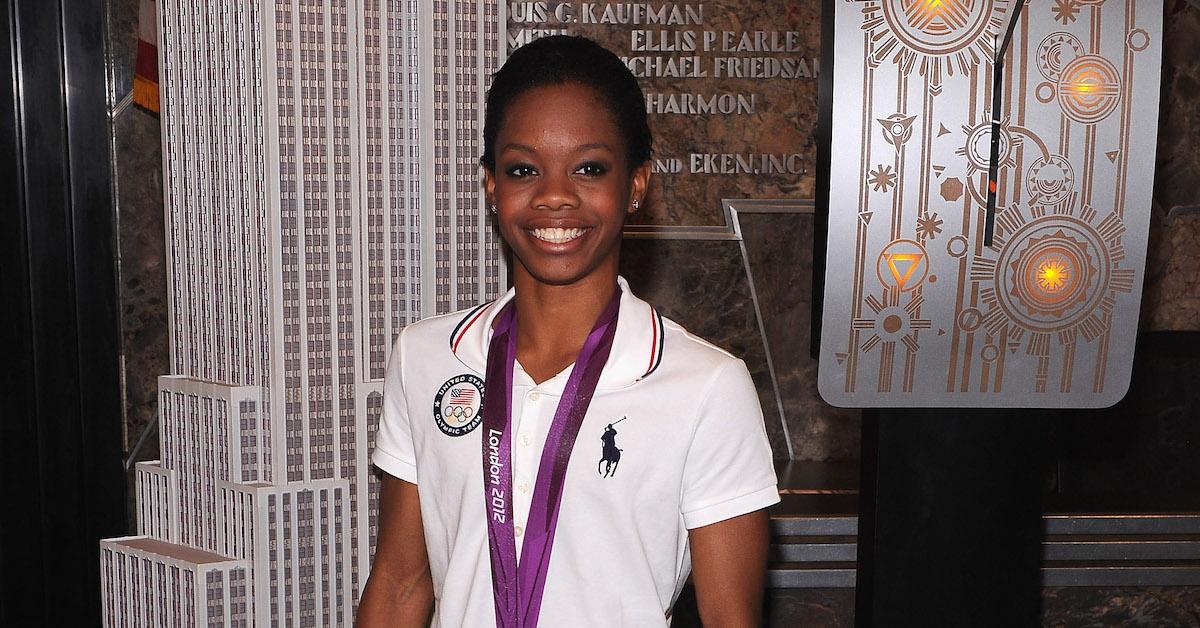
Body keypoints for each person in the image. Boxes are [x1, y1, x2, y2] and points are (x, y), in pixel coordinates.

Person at [357, 35, 778, 627]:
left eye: (589, 168)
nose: (555, 195)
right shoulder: (425, 358)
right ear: (491, 184)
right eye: (524, 168)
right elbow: (401, 585)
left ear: (635, 184)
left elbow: (730, 620)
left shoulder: (707, 385)